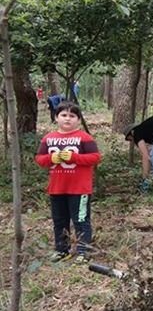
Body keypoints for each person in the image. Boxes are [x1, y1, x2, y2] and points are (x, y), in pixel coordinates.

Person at [35, 101, 101, 263]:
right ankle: (61, 249)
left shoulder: (84, 138)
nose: (67, 119)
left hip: (79, 189)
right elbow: (39, 159)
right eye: (63, 115)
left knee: (81, 220)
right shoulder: (48, 139)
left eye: (72, 116)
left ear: (78, 120)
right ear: (56, 117)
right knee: (59, 220)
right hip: (57, 188)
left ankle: (83, 251)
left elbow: (95, 157)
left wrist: (74, 157)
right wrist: (51, 158)